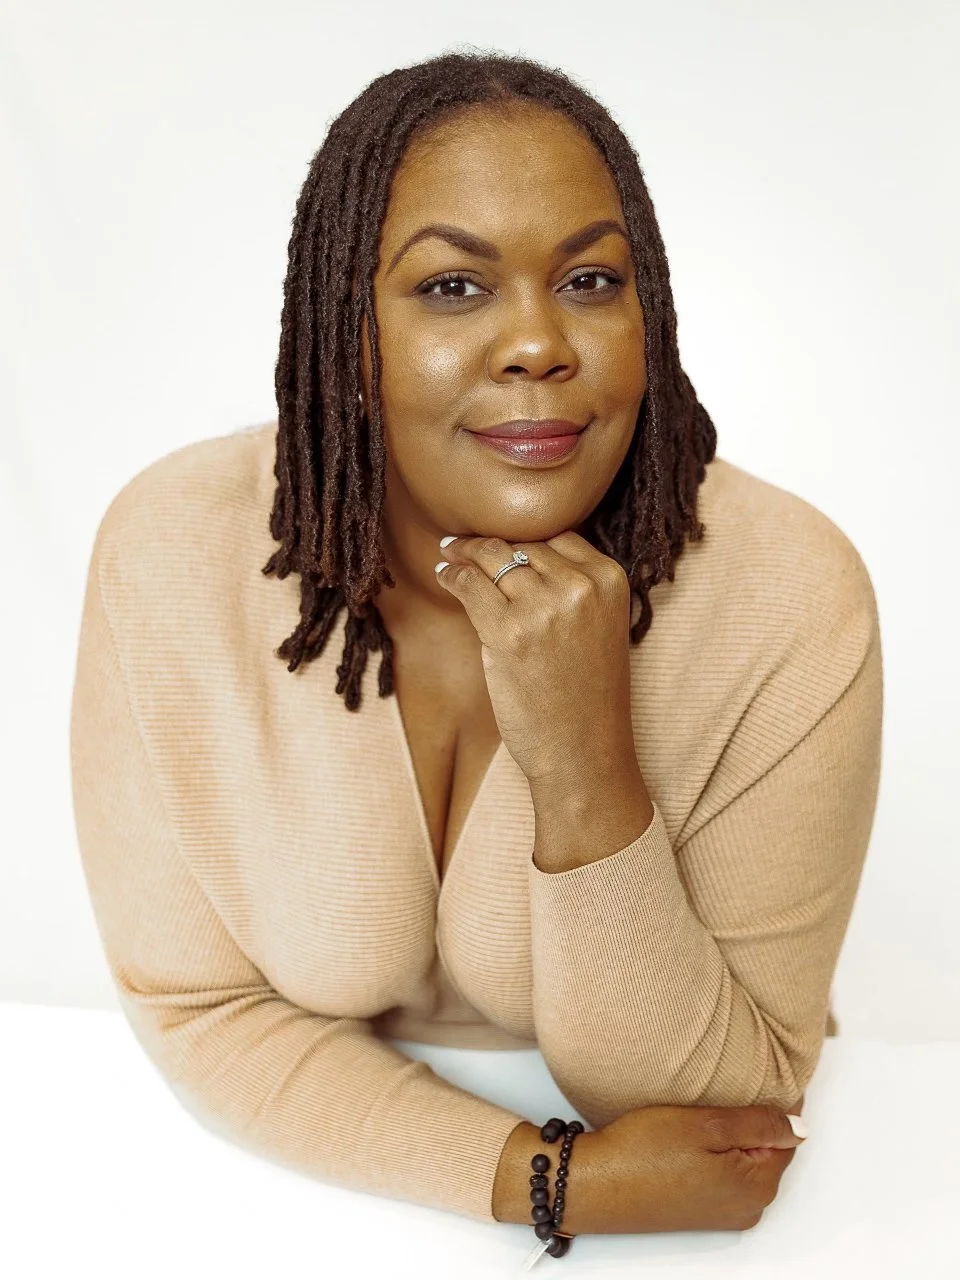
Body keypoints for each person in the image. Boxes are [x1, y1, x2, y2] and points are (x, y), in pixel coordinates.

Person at [69, 51, 882, 1239]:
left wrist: (587, 760)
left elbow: (725, 1120)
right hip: (234, 1222)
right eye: (453, 288)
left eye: (591, 279)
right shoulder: (176, 551)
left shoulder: (789, 596)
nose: (538, 344)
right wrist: (546, 1179)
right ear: (345, 327)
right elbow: (193, 1007)